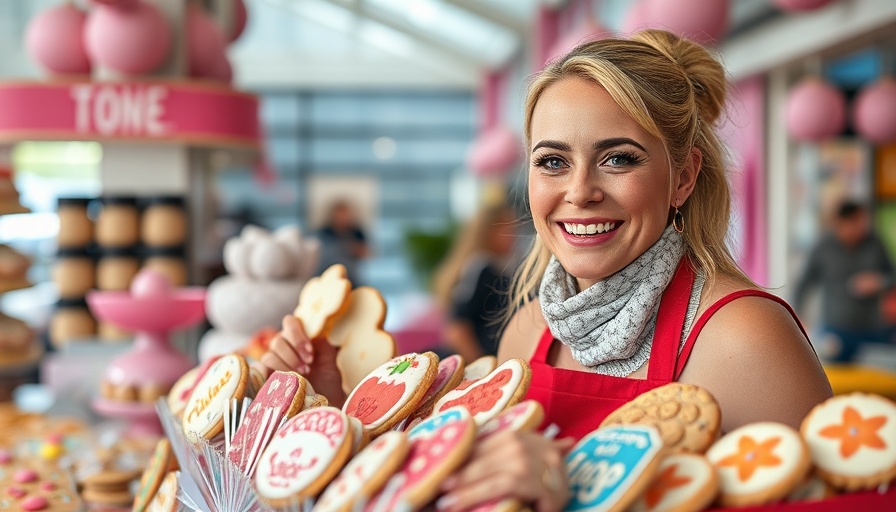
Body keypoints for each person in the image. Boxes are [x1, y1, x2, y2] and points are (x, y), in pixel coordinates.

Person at [262, 29, 832, 511]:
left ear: (682, 177)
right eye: (553, 161)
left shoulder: (743, 337)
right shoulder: (529, 330)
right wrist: (337, 412)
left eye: (619, 158)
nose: (579, 192)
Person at [794, 200, 895, 363]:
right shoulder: (823, 247)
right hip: (835, 331)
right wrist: (798, 318)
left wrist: (879, 282)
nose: (860, 228)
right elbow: (803, 283)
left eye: (862, 222)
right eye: (854, 223)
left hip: (873, 329)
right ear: (839, 223)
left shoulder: (875, 243)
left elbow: (892, 275)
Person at [432, 203, 519, 361]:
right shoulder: (481, 268)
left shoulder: (497, 268)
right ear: (488, 232)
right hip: (471, 366)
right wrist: (483, 371)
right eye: (507, 229)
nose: (513, 236)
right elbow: (458, 329)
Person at [315, 199, 370, 284]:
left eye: (345, 214)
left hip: (350, 276)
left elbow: (368, 252)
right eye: (340, 214)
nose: (342, 217)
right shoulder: (325, 232)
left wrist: (353, 249)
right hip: (326, 275)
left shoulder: (356, 232)